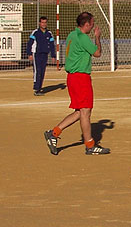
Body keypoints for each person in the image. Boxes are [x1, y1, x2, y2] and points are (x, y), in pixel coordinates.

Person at [43, 12, 110, 156]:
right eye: (91, 24)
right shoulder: (83, 38)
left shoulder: (72, 35)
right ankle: (90, 145)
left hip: (73, 78)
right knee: (85, 111)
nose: (93, 26)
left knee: (80, 111)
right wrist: (97, 38)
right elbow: (98, 53)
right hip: (81, 78)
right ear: (86, 25)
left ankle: (54, 133)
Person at [26, 16, 56, 96]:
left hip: (44, 54)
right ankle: (36, 88)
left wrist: (53, 55)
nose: (44, 24)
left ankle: (39, 88)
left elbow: (52, 45)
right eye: (42, 22)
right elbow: (29, 43)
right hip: (36, 54)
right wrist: (29, 54)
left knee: (42, 72)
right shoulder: (35, 32)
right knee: (37, 71)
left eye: (45, 22)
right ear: (39, 23)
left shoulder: (49, 33)